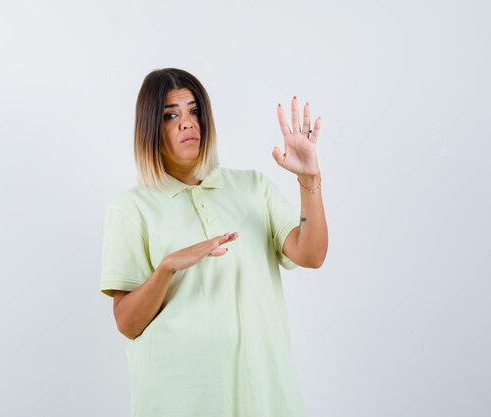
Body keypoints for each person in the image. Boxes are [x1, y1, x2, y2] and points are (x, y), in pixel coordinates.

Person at [100, 68, 328, 417]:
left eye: (194, 111)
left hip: (261, 392)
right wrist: (167, 267)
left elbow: (312, 255)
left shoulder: (253, 187)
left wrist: (310, 179)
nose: (187, 123)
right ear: (150, 128)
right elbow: (127, 324)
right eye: (171, 115)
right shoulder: (131, 209)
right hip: (178, 398)